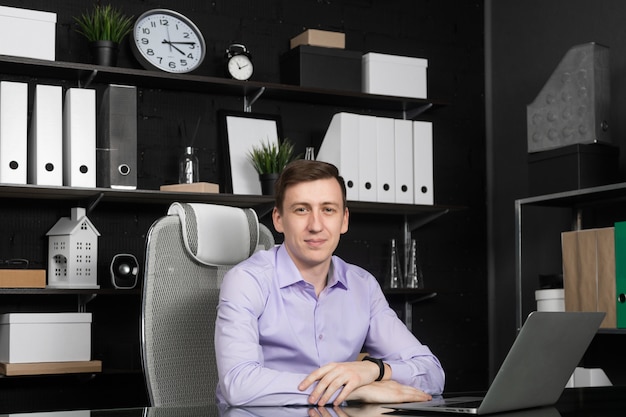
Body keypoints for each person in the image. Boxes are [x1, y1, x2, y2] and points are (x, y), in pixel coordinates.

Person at [215, 159, 444, 407]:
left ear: (344, 220)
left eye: (328, 210)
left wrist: (372, 371)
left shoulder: (362, 286)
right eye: (301, 210)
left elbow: (432, 373)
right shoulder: (247, 281)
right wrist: (353, 390)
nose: (316, 226)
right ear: (279, 219)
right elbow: (238, 385)